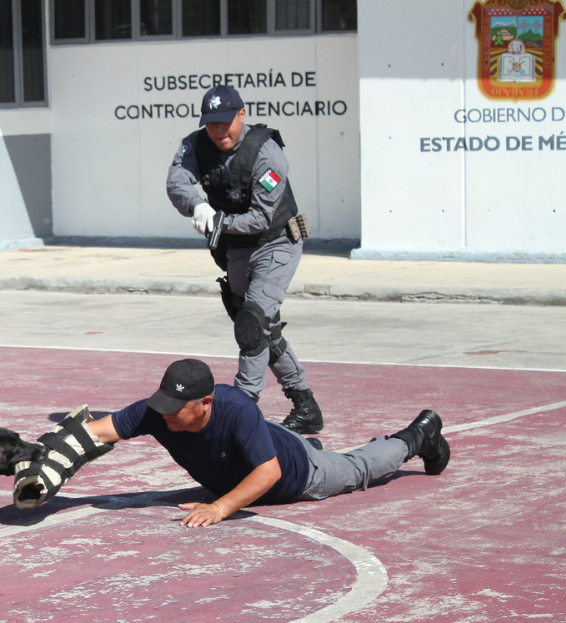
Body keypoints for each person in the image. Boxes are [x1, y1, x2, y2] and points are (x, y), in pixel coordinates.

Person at [84, 359, 450, 527]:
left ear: (205, 402)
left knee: (359, 468)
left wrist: (219, 508)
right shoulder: (159, 411)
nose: (165, 414)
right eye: (164, 403)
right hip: (271, 436)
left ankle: (418, 436)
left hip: (300, 474)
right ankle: (306, 444)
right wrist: (53, 453)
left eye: (175, 408)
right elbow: (96, 432)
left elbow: (269, 473)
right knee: (263, 440)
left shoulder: (236, 409)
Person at [167, 84, 324, 434]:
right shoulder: (196, 144)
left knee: (252, 325)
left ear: (242, 114)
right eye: (212, 124)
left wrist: (218, 223)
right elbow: (177, 181)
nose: (218, 131)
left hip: (276, 242)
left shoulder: (266, 153)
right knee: (264, 329)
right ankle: (306, 405)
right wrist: (198, 205)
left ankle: (240, 408)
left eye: (226, 122)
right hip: (236, 249)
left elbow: (261, 218)